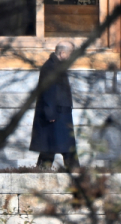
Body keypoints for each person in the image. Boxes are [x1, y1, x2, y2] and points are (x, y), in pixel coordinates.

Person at [29, 41, 80, 170]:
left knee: (55, 145)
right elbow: (48, 91)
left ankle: (71, 170)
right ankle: (74, 171)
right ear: (62, 53)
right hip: (55, 113)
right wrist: (50, 112)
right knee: (55, 145)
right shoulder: (50, 67)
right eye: (70, 54)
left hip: (60, 111)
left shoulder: (57, 66)